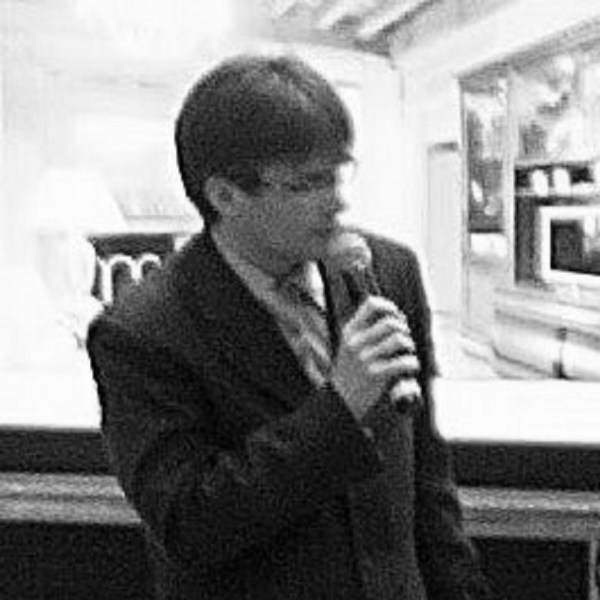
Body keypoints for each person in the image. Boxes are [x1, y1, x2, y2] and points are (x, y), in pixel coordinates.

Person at [87, 54, 493, 600]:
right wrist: (339, 409)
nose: (338, 200)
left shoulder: (386, 272)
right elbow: (189, 524)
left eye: (339, 173)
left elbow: (427, 480)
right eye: (308, 183)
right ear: (225, 195)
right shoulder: (143, 330)